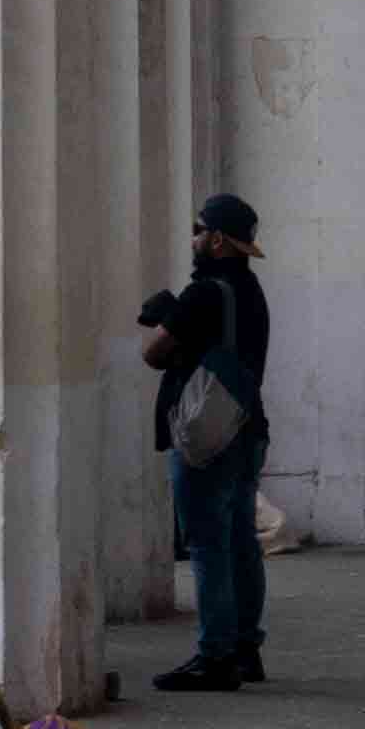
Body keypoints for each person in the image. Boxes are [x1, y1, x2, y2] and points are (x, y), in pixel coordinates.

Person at [140, 192, 270, 694]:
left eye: (199, 230)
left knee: (207, 543)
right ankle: (245, 649)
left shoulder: (202, 294)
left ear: (216, 239)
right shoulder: (251, 291)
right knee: (240, 539)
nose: (193, 238)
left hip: (206, 434)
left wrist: (165, 318)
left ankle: (216, 657)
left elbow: (154, 354)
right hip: (248, 429)